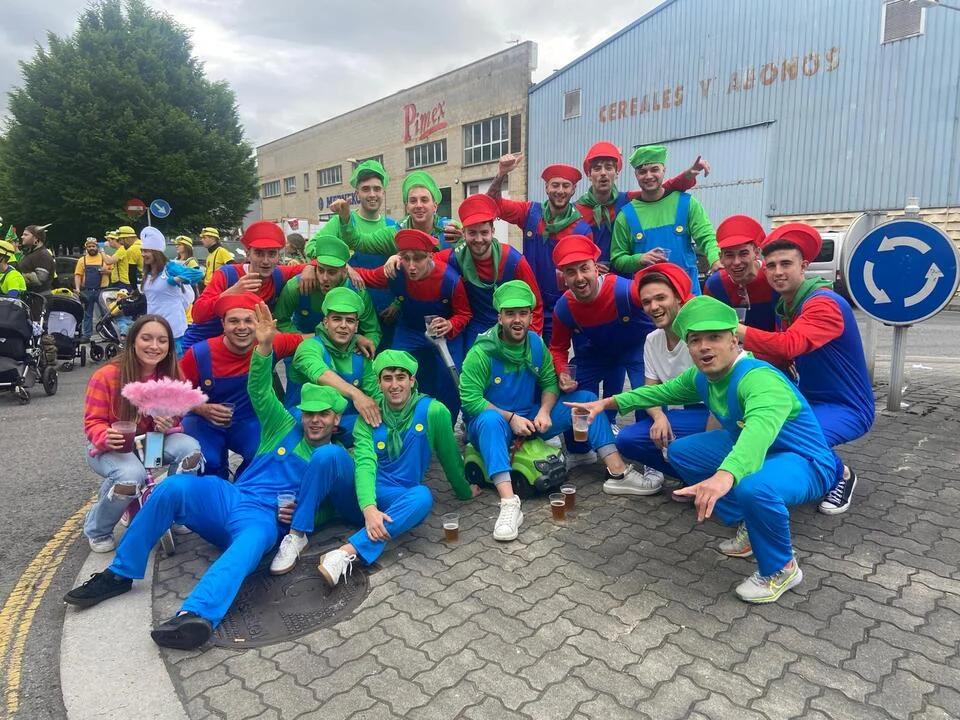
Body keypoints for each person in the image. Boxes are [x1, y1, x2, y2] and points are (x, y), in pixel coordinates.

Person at [65, 303, 356, 651]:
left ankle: (196, 615)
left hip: (263, 519)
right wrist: (264, 347)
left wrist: (306, 516)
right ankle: (120, 572)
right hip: (231, 496)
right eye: (309, 413)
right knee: (174, 486)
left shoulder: (335, 457)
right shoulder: (283, 426)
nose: (315, 420)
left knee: (249, 544)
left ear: (336, 421)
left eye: (324, 415)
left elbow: (339, 506)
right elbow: (260, 389)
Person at [567, 296, 838, 604]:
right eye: (695, 340)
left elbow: (759, 431)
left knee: (753, 486)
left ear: (733, 340)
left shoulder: (758, 379)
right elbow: (659, 392)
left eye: (714, 337)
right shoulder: (702, 377)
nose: (704, 347)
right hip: (756, 449)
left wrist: (725, 475)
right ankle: (749, 524)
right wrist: (605, 403)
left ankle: (782, 568)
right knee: (682, 451)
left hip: (806, 460)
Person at [460, 281, 648, 540]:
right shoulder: (481, 352)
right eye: (510, 314)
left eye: (523, 313)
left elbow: (549, 382)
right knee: (490, 420)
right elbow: (469, 399)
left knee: (584, 400)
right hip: (493, 423)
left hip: (530, 418)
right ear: (499, 317)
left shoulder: (535, 344)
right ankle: (509, 504)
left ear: (531, 316)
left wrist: (545, 411)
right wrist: (511, 418)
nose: (517, 320)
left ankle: (617, 472)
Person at [737, 223, 874, 515]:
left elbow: (789, 346)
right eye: (771, 265)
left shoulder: (824, 303)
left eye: (786, 264)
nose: (777, 272)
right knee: (759, 427)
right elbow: (779, 358)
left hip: (846, 407)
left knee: (787, 435)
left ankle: (842, 475)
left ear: (804, 266)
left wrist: (733, 329)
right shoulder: (787, 307)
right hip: (807, 399)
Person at [316, 349, 482, 587]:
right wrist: (369, 508)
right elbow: (364, 465)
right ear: (379, 383)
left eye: (401, 377)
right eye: (387, 378)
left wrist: (464, 490)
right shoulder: (369, 415)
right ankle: (335, 542)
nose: (394, 385)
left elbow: (450, 457)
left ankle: (344, 553)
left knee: (422, 496)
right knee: (333, 457)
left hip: (399, 500)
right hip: (364, 498)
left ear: (412, 380)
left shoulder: (433, 411)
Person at [80, 314, 203, 553]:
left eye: (162, 341)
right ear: (133, 341)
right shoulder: (106, 376)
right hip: (112, 448)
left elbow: (178, 415)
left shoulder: (171, 374)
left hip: (152, 443)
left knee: (191, 451)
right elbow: (93, 422)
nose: (154, 346)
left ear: (169, 346)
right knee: (130, 476)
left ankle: (174, 511)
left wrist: (169, 421)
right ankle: (98, 529)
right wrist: (105, 435)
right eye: (146, 338)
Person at [549, 235, 654, 464]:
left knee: (647, 393)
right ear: (563, 277)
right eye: (571, 272)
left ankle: (650, 456)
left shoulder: (625, 290)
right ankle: (580, 450)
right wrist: (563, 372)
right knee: (575, 391)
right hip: (597, 351)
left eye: (584, 268)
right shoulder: (564, 307)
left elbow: (661, 301)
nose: (579, 278)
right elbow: (557, 347)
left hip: (637, 348)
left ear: (596, 268)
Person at [351, 228, 471, 425]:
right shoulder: (396, 272)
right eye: (406, 258)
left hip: (445, 334)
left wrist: (450, 324)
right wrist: (345, 267)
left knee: (450, 377)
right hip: (410, 330)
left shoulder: (449, 279)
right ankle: (399, 422)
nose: (411, 266)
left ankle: (445, 426)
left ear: (430, 256)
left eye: (418, 259)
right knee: (394, 368)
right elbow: (364, 276)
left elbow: (465, 313)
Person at [181, 292, 304, 479]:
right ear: (223, 324)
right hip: (204, 422)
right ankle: (216, 484)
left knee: (265, 454)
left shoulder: (269, 344)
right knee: (205, 462)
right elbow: (175, 394)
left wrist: (349, 338)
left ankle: (243, 487)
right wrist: (201, 408)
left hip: (249, 420)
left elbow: (308, 340)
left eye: (249, 321)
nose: (242, 327)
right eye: (234, 321)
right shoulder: (199, 354)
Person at [614, 263, 713, 488]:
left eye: (661, 298)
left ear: (678, 297)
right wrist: (659, 417)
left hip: (715, 414)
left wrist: (708, 439)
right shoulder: (652, 340)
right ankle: (691, 478)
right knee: (627, 439)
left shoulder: (700, 337)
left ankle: (711, 478)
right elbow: (650, 391)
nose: (654, 307)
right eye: (647, 302)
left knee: (681, 447)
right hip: (684, 414)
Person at [487, 155, 593, 342]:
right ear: (546, 187)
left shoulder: (582, 230)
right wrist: (502, 174)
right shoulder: (530, 213)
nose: (560, 191)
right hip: (526, 304)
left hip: (560, 307)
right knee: (522, 354)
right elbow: (491, 205)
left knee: (552, 355)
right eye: (555, 185)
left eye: (566, 186)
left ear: (573, 189)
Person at [306, 159, 399, 348]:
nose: (372, 194)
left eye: (376, 189)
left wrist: (398, 303)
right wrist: (344, 265)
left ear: (383, 192)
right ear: (357, 193)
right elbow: (311, 247)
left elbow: (406, 267)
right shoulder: (342, 220)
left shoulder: (392, 226)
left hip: (386, 310)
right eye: (365, 189)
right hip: (348, 310)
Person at [183, 221, 317, 351]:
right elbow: (198, 314)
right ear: (248, 254)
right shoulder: (227, 274)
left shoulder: (278, 274)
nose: (266, 261)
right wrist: (232, 292)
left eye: (271, 254)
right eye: (259, 253)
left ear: (278, 256)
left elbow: (322, 264)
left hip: (241, 350)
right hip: (200, 348)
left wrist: (311, 267)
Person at [610, 145, 720, 294]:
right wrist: (640, 259)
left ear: (664, 170)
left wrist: (715, 259)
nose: (648, 176)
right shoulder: (626, 215)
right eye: (642, 172)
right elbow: (617, 258)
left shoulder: (686, 203)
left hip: (688, 296)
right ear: (636, 175)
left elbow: (707, 236)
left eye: (654, 169)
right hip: (649, 300)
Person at [439, 193, 544, 347]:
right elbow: (426, 261)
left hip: (509, 327)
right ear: (464, 233)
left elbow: (536, 304)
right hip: (476, 329)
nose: (478, 239)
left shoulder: (513, 260)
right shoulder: (455, 258)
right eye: (472, 233)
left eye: (484, 232)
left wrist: (531, 340)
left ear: (493, 231)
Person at [575, 142, 705, 264]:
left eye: (609, 168)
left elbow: (660, 189)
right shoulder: (576, 211)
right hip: (588, 275)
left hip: (624, 274)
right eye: (597, 168)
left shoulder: (628, 201)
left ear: (617, 173)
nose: (603, 173)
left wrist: (687, 176)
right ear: (589, 174)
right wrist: (589, 265)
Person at [286, 287, 381, 444]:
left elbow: (376, 394)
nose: (343, 325)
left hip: (342, 423)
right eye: (337, 319)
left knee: (381, 425)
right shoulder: (309, 347)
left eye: (349, 321)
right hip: (302, 424)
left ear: (356, 326)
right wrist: (356, 394)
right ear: (326, 322)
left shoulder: (361, 356)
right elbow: (320, 373)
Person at [273, 235, 380, 354]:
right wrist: (301, 340)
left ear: (345, 271)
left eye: (332, 272)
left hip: (344, 352)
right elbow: (280, 321)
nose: (324, 278)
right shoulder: (295, 286)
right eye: (320, 270)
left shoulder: (357, 291)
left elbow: (372, 330)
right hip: (301, 349)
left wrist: (366, 348)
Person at [704, 215, 778, 332]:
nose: (736, 262)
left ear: (756, 253)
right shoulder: (715, 285)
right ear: (720, 258)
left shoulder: (774, 277)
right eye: (729, 255)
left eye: (743, 254)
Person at [139, 228, 203, 356]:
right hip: (153, 323)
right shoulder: (148, 272)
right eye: (142, 251)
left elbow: (198, 274)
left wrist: (175, 280)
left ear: (156, 252)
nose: (143, 254)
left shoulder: (170, 267)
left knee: (175, 362)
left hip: (173, 326)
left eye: (146, 251)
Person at [74, 238, 111, 340]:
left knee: (105, 313)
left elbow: (113, 271)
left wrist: (106, 272)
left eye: (93, 246)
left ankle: (108, 333)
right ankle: (86, 335)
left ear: (97, 247)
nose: (91, 248)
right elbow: (78, 275)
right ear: (86, 248)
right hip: (87, 290)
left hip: (102, 290)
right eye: (89, 246)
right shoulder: (82, 260)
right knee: (87, 314)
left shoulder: (105, 258)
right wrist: (77, 288)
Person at [17, 225, 57, 294]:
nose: (22, 237)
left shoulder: (42, 255)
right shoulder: (33, 253)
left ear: (36, 238)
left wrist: (16, 276)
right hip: (33, 296)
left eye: (26, 235)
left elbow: (40, 280)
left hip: (40, 297)